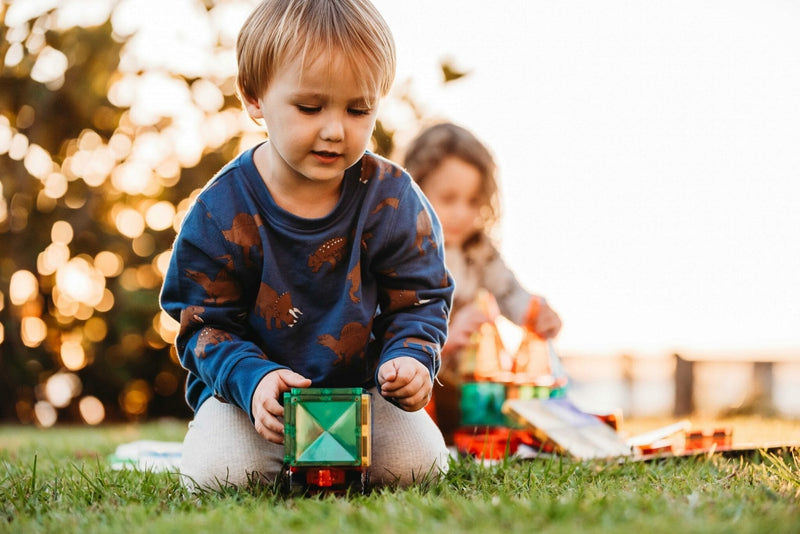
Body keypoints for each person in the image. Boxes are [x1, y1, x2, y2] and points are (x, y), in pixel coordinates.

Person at [160, 0, 453, 491]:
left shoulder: (393, 200)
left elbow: (420, 299)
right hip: (253, 405)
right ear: (255, 98)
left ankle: (330, 463)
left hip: (361, 397)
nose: (335, 130)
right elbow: (201, 326)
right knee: (215, 474)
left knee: (422, 465)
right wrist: (252, 383)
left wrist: (410, 358)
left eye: (359, 109)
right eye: (310, 107)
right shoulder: (220, 210)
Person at [402, 122, 562, 443]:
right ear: (415, 190)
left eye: (473, 201)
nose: (463, 213)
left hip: (466, 386)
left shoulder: (478, 249)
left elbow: (509, 292)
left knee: (496, 416)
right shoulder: (402, 248)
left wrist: (536, 313)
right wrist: (443, 339)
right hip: (415, 381)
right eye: (449, 199)